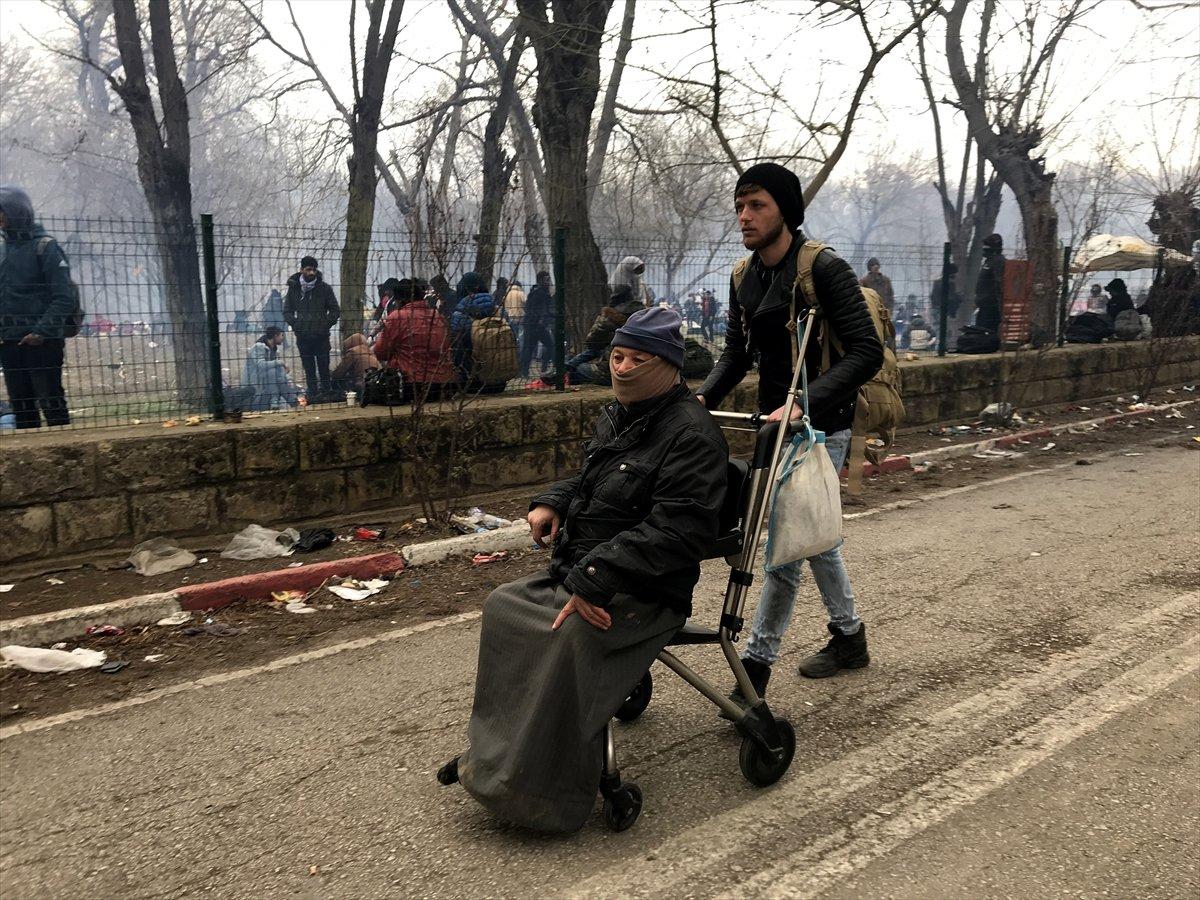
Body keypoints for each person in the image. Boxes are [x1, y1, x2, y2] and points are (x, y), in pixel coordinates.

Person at [440, 307, 728, 833]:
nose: (622, 368)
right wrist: (551, 501)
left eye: (639, 359)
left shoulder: (692, 436)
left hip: (644, 591)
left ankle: (537, 791)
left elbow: (677, 534)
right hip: (586, 570)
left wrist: (593, 580)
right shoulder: (620, 415)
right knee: (504, 608)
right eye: (617, 356)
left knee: (564, 636)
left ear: (668, 366)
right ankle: (494, 758)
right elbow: (589, 478)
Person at [696, 162, 883, 701]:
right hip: (772, 424)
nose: (744, 217)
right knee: (814, 538)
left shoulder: (824, 269)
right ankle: (850, 637)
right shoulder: (742, 276)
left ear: (786, 211)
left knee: (781, 547)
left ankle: (752, 670)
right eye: (739, 206)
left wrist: (805, 402)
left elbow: (867, 353)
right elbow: (736, 353)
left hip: (822, 425)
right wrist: (704, 396)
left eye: (757, 206)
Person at [0, 185, 75, 429]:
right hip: (9, 342)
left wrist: (40, 332)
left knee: (52, 404)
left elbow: (64, 298)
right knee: (22, 410)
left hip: (42, 343)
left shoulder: (45, 247)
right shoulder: (2, 251)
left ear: (14, 211)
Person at [530, 283, 646, 389]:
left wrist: (605, 316)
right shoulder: (644, 316)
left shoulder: (611, 318)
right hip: (641, 371)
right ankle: (561, 372)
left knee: (580, 365)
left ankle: (561, 374)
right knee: (597, 350)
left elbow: (591, 342)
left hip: (614, 373)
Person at [373, 277, 457, 402]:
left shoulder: (397, 317)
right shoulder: (437, 316)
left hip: (411, 385)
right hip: (441, 384)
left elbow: (380, 352)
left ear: (399, 300)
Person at [284, 256, 341, 401]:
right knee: (308, 368)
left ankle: (326, 393)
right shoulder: (294, 289)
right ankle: (313, 394)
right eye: (308, 269)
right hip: (303, 336)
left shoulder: (324, 289)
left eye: (314, 269)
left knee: (323, 367)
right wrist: (296, 325)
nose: (312, 273)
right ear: (302, 270)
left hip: (321, 336)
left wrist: (324, 324)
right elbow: (287, 311)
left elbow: (335, 310)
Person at [241, 326, 299, 411]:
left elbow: (278, 373)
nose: (283, 338)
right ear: (275, 336)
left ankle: (279, 401)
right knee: (272, 372)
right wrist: (281, 363)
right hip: (255, 391)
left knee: (276, 373)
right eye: (282, 335)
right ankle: (289, 401)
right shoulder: (258, 347)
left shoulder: (274, 350)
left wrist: (288, 379)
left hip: (268, 388)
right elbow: (261, 365)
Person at [520, 270, 555, 378]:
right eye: (547, 279)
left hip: (535, 325)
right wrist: (540, 319)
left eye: (549, 279)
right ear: (541, 280)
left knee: (547, 346)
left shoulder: (540, 292)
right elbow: (534, 309)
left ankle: (534, 370)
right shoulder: (538, 293)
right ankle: (525, 372)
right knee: (530, 349)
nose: (549, 282)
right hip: (534, 326)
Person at [974, 233, 1005, 333]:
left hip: (992, 307)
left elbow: (999, 283)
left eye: (986, 246)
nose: (984, 249)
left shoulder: (998, 261)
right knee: (980, 331)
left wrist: (997, 301)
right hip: (984, 305)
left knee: (987, 332)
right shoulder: (989, 261)